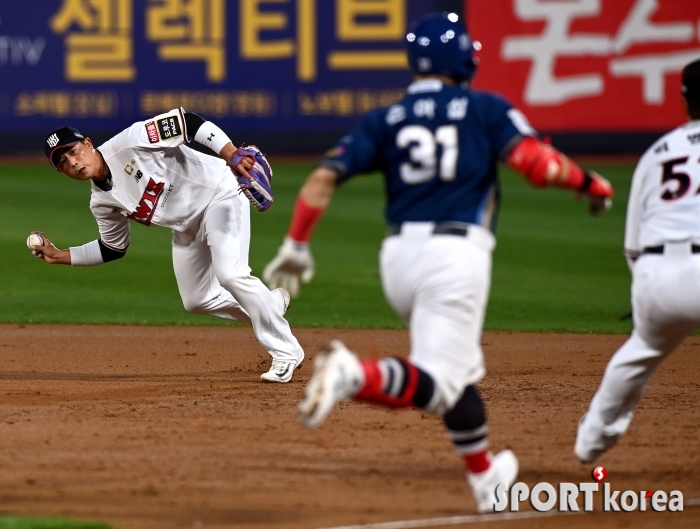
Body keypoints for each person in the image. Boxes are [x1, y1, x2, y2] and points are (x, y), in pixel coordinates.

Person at [262, 12, 614, 513]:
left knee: (459, 376)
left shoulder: (386, 117)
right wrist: (589, 183)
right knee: (440, 380)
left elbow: (321, 180)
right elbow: (538, 165)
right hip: (454, 259)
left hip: (398, 261)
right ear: (462, 59)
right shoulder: (484, 108)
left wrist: (297, 245)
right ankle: (352, 374)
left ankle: (487, 480)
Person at [32, 108, 304, 382]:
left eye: (74, 151)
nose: (73, 162)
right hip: (186, 229)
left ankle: (286, 353)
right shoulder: (101, 203)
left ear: (88, 144)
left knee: (231, 273)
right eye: (63, 162)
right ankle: (269, 304)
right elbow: (112, 248)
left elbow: (187, 122)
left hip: (219, 196)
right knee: (197, 299)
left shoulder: (131, 140)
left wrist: (231, 153)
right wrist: (59, 255)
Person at [575, 58, 700, 463]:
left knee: (641, 348)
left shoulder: (656, 154)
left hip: (655, 276)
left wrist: (647, 291)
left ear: (684, 100)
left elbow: (633, 245)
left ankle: (591, 438)